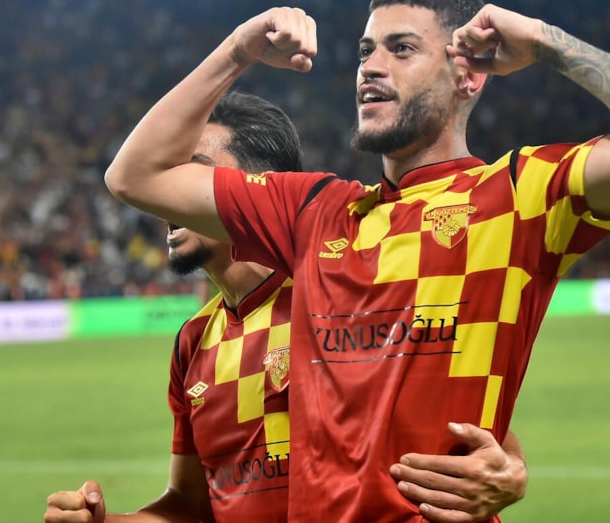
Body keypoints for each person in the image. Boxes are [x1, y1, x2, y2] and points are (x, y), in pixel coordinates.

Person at [104, 0, 610, 521]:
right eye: (365, 51)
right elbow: (136, 176)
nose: (370, 67)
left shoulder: (518, 197)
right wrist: (239, 49)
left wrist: (544, 40)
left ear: (468, 75)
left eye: (401, 49)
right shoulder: (313, 212)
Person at [45, 91, 528, 523]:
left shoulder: (343, 293)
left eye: (193, 171)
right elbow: (192, 507)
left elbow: (472, 427)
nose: (170, 196)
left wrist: (510, 468)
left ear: (255, 190)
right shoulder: (194, 341)